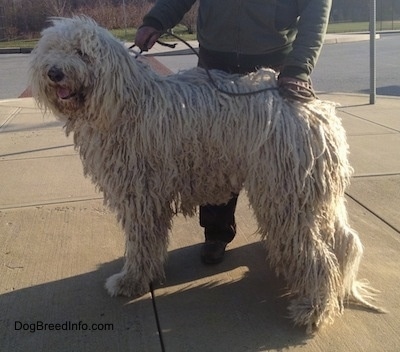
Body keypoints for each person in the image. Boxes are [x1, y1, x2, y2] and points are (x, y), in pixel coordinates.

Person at [135, 0, 332, 265]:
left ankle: (288, 230)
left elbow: (316, 8)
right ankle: (216, 233)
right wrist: (156, 21)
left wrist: (299, 67)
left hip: (274, 66)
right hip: (215, 63)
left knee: (283, 168)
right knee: (212, 159)